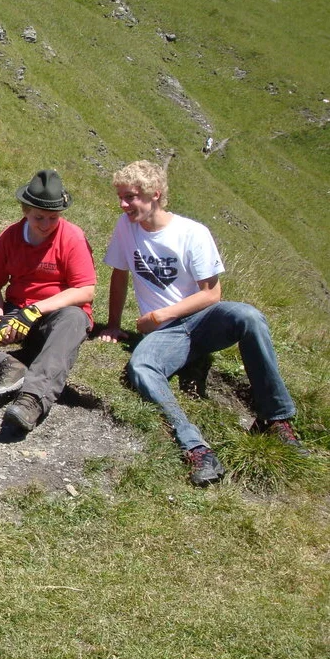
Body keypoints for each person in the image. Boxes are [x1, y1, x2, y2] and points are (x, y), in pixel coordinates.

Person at [98, 160, 306, 486]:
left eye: (131, 197)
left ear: (155, 194)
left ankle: (275, 417)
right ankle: (195, 447)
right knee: (141, 367)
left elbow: (212, 294)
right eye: (121, 197)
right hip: (166, 335)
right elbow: (119, 274)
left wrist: (161, 314)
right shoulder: (126, 227)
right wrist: (113, 324)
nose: (123, 205)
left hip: (200, 320)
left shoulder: (192, 233)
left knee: (248, 317)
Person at [0, 169, 97, 432]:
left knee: (74, 319)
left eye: (53, 218)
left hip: (56, 314)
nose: (46, 224)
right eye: (38, 217)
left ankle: (31, 400)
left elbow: (85, 290)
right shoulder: (10, 237)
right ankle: (6, 367)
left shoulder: (73, 237)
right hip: (16, 310)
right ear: (25, 211)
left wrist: (35, 310)